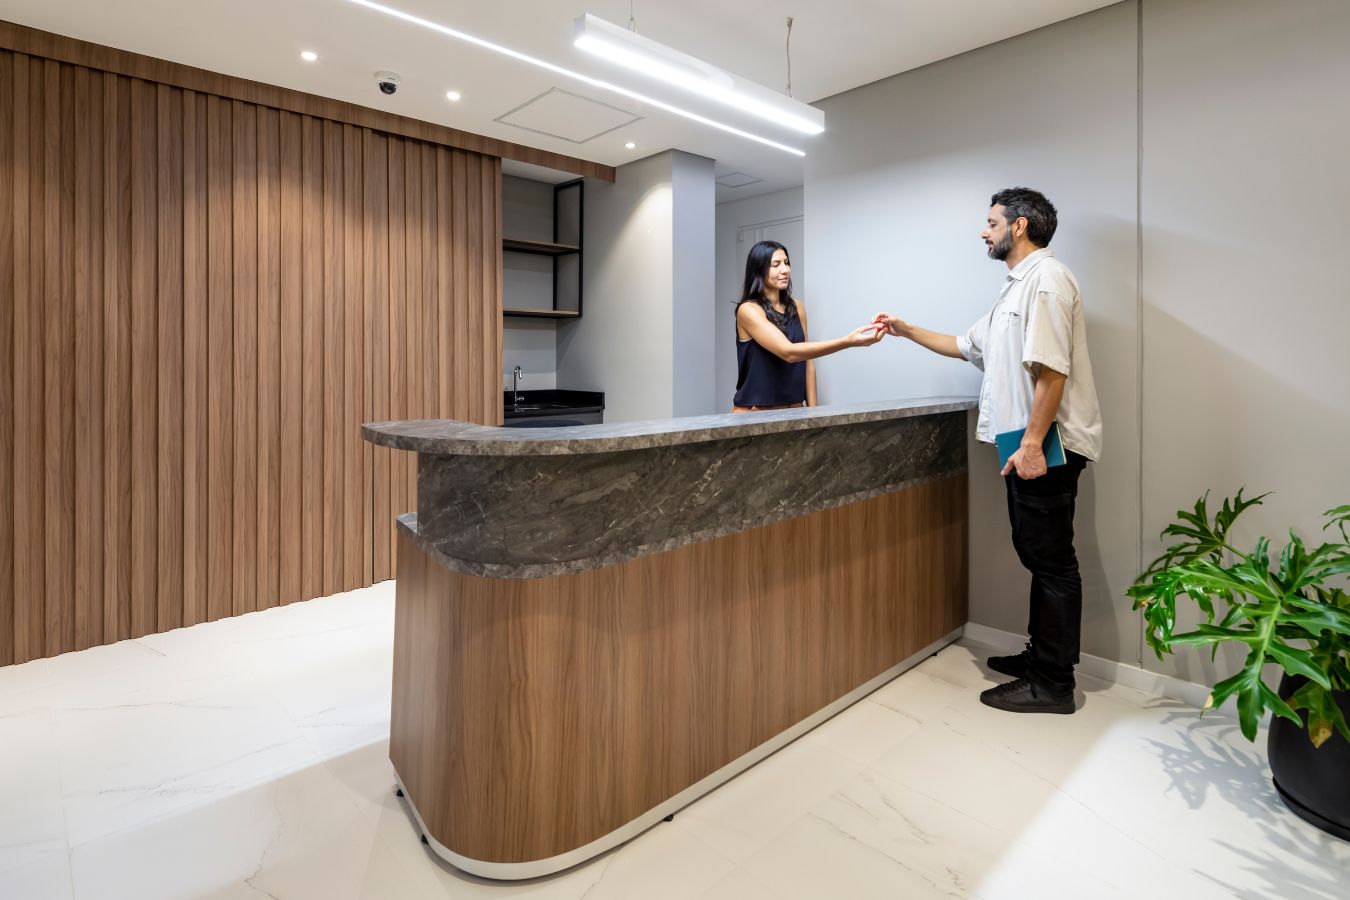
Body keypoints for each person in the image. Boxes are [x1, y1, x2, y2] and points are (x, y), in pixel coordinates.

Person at [874, 188, 1102, 714]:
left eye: (991, 222)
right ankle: (1039, 658)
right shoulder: (1014, 290)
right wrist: (905, 329)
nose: (984, 231)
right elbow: (963, 345)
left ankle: (1053, 684)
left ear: (1019, 226)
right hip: (1027, 446)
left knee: (1051, 563)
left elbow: (1052, 371)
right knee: (1038, 557)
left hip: (1046, 447)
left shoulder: (1046, 280)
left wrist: (1030, 446)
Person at [733, 240, 882, 412]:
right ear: (759, 270)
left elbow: (808, 361)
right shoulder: (748, 310)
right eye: (776, 265)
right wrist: (848, 342)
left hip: (795, 411)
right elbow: (788, 352)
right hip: (755, 414)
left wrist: (813, 412)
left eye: (786, 263)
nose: (785, 270)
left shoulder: (797, 307)